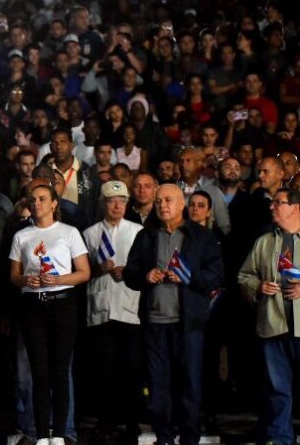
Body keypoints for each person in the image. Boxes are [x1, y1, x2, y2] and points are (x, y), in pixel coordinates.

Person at [124, 184, 224, 445]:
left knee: (189, 385)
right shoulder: (146, 236)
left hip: (188, 324)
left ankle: (189, 438)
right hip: (155, 323)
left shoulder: (201, 236)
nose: (162, 205)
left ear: (182, 204)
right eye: (158, 201)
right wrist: (145, 276)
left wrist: (189, 276)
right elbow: (130, 274)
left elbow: (216, 276)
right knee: (158, 386)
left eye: (168, 200)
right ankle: (164, 437)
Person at [9, 183, 90, 445]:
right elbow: (14, 275)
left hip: (62, 304)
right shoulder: (22, 235)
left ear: (54, 203)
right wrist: (26, 280)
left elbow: (84, 272)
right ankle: (42, 434)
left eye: (42, 199)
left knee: (60, 371)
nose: (37, 203)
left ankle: (62, 433)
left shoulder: (69, 232)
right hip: (32, 305)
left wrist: (58, 280)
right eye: (33, 199)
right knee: (39, 372)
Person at [82, 181, 144, 443]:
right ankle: (105, 420)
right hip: (101, 307)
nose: (117, 205)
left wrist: (126, 272)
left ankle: (131, 421)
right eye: (111, 201)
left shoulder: (138, 232)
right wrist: (99, 269)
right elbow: (82, 270)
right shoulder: (90, 234)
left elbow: (145, 267)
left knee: (131, 368)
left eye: (122, 201)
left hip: (130, 309)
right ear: (103, 203)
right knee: (104, 369)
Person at [238, 187, 300, 445]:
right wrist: (258, 286)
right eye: (272, 202)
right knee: (277, 388)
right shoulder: (264, 242)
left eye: (278, 202)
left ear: (296, 208)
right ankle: (280, 438)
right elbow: (244, 275)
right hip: (273, 325)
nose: (272, 206)